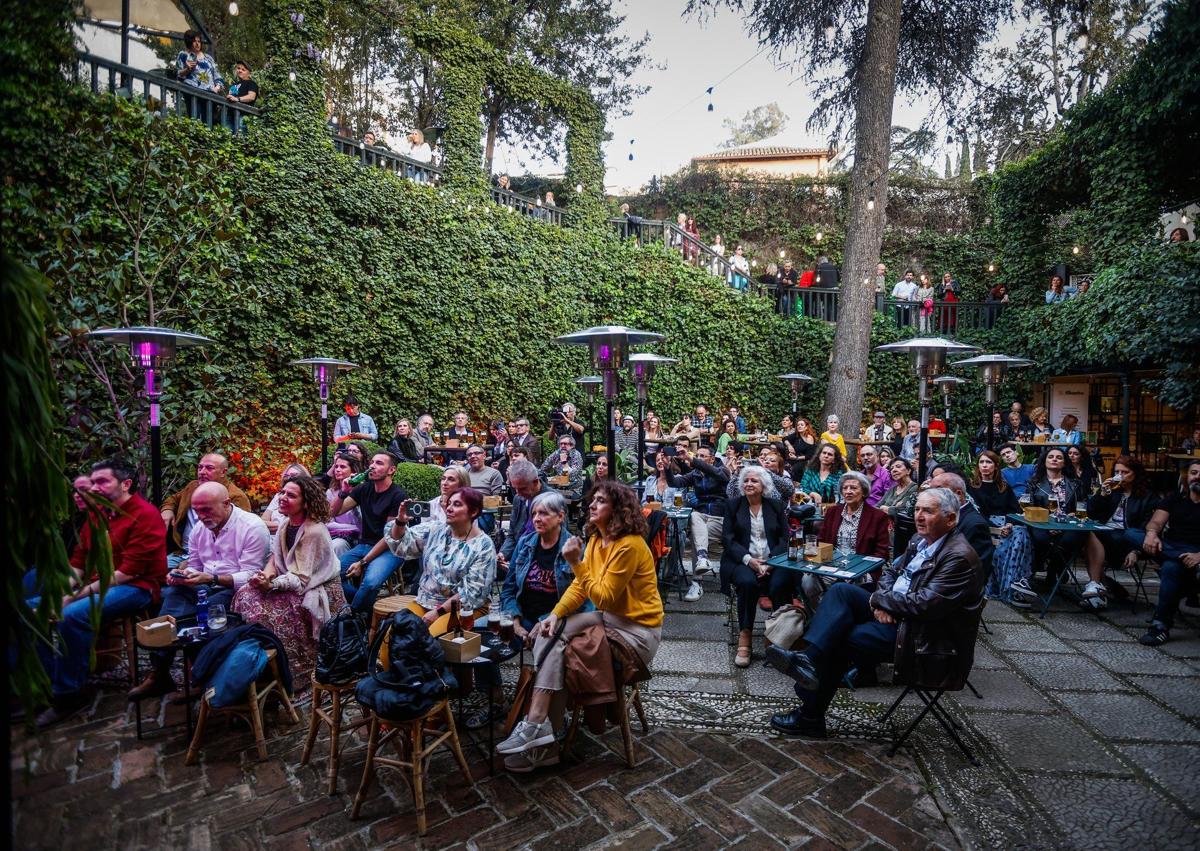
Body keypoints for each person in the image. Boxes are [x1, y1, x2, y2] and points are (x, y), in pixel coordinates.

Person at [767, 488, 985, 738]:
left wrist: (879, 601)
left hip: (923, 635)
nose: (919, 516)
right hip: (899, 613)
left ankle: (810, 716)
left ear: (951, 519)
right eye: (917, 510)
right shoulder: (920, 541)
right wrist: (882, 602)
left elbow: (925, 605)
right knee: (840, 591)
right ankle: (808, 659)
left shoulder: (958, 557)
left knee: (841, 636)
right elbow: (891, 571)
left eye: (928, 511)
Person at [497, 481, 662, 768]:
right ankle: (541, 730)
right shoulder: (597, 540)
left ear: (618, 510)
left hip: (637, 631)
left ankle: (543, 736)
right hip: (607, 619)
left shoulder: (629, 546)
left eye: (600, 501)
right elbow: (578, 589)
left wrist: (576, 563)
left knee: (560, 649)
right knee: (549, 633)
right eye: (592, 500)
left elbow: (605, 598)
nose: (591, 505)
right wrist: (555, 614)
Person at [29, 459, 166, 726]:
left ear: (125, 484)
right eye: (92, 482)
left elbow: (127, 573)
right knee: (26, 610)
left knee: (71, 615)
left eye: (102, 481)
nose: (94, 487)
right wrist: (58, 593)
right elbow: (79, 563)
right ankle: (42, 684)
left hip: (137, 587)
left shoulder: (145, 514)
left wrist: (70, 599)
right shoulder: (97, 514)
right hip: (99, 583)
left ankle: (68, 695)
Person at [130, 481, 271, 699]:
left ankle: (201, 677)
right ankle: (159, 671)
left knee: (206, 613)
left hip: (237, 588)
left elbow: (251, 576)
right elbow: (194, 563)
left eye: (207, 509)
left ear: (226, 504)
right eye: (197, 511)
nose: (202, 516)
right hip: (204, 583)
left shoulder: (251, 526)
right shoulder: (200, 528)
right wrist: (181, 574)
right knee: (174, 595)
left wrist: (211, 577)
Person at [233, 475, 347, 681]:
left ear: (306, 502)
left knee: (265, 611)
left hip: (317, 588)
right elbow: (276, 558)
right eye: (282, 493)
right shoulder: (286, 524)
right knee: (245, 593)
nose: (283, 498)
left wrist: (271, 584)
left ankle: (294, 669)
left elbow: (301, 578)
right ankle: (256, 662)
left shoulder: (314, 531)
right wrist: (266, 575)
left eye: (291, 495)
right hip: (292, 581)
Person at [384, 487, 496, 634]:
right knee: (393, 636)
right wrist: (400, 522)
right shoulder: (436, 529)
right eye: (449, 504)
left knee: (431, 639)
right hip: (425, 601)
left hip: (464, 608)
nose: (449, 508)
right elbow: (402, 544)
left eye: (457, 504)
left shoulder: (483, 545)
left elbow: (472, 592)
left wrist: (437, 613)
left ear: (473, 512)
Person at [333, 452, 407, 613]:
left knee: (371, 583)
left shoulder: (398, 495)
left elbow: (389, 537)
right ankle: (365, 610)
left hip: (391, 549)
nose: (372, 466)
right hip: (364, 545)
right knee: (330, 576)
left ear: (391, 470)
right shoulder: (364, 489)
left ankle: (353, 618)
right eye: (372, 462)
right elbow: (335, 512)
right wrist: (343, 492)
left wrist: (363, 562)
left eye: (379, 463)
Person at [1079, 455, 1156, 610]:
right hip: (1106, 534)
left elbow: (1146, 527)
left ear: (1136, 474)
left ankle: (1100, 587)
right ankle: (1099, 587)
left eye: (1125, 472)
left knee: (1088, 538)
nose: (1119, 476)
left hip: (1127, 539)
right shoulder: (1112, 492)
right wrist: (1101, 494)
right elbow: (1091, 513)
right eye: (1117, 471)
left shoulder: (1147, 497)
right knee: (1086, 534)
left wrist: (1136, 551)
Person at [1137, 461, 1200, 645]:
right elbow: (1156, 522)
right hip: (1172, 548)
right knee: (1131, 534)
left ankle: (1160, 626)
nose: (1197, 476)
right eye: (1194, 472)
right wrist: (1151, 534)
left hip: (1195, 553)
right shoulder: (1176, 499)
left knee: (1171, 568)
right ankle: (1185, 565)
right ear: (1187, 477)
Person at [805, 472, 891, 605]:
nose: (848, 492)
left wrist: (865, 571)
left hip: (860, 570)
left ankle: (835, 615)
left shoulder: (877, 516)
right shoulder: (833, 512)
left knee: (845, 593)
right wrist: (814, 557)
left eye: (853, 488)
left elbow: (882, 553)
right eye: (845, 488)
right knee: (807, 580)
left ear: (864, 491)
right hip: (831, 566)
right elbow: (821, 540)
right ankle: (822, 612)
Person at [160, 453, 251, 570]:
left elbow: (235, 538)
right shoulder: (193, 486)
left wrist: (193, 562)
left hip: (213, 559)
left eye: (209, 468)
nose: (202, 472)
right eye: (200, 467)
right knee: (150, 569)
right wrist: (167, 510)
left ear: (223, 472)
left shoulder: (235, 497)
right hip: (181, 552)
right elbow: (173, 499)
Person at [969, 451, 1033, 604]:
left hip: (1007, 525)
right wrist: (997, 528)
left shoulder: (1004, 487)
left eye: (989, 462)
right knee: (1008, 543)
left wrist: (1010, 523)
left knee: (1022, 533)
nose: (985, 465)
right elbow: (976, 513)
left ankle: (1016, 583)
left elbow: (1015, 510)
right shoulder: (973, 486)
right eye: (982, 462)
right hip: (986, 526)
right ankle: (1009, 586)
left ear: (996, 466)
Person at [668, 444, 730, 580]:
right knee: (696, 517)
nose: (699, 458)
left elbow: (716, 474)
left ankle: (696, 583)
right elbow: (674, 483)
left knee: (698, 536)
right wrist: (667, 468)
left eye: (703, 456)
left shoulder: (722, 471)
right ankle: (702, 558)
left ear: (712, 459)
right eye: (698, 456)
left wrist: (691, 459)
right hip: (701, 518)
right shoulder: (695, 474)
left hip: (719, 519)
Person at [1025, 447, 1083, 578]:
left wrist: (1069, 518)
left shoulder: (1076, 484)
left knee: (1072, 539)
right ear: (1044, 461)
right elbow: (1030, 507)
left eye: (1059, 457)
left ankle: (1054, 568)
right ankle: (1055, 569)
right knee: (1041, 538)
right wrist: (1049, 524)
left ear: (1064, 462)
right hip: (1041, 523)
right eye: (1051, 457)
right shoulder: (1034, 483)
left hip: (1068, 524)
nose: (1055, 459)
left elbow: (1082, 506)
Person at [498, 460, 545, 569]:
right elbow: (512, 534)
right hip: (518, 555)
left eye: (522, 488)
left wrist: (520, 564)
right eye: (515, 488)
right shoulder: (518, 498)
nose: (518, 493)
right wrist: (503, 554)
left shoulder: (552, 501)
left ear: (536, 482)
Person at [323, 453, 362, 558]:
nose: (337, 469)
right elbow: (327, 522)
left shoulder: (362, 491)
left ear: (353, 470)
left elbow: (362, 525)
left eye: (343, 467)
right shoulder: (331, 492)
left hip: (359, 538)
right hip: (336, 535)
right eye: (336, 466)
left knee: (338, 545)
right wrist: (352, 528)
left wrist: (354, 529)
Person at [260, 463, 311, 534]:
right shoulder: (279, 496)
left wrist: (274, 526)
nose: (289, 478)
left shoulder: (307, 498)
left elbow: (298, 525)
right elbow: (261, 523)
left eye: (293, 476)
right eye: (286, 475)